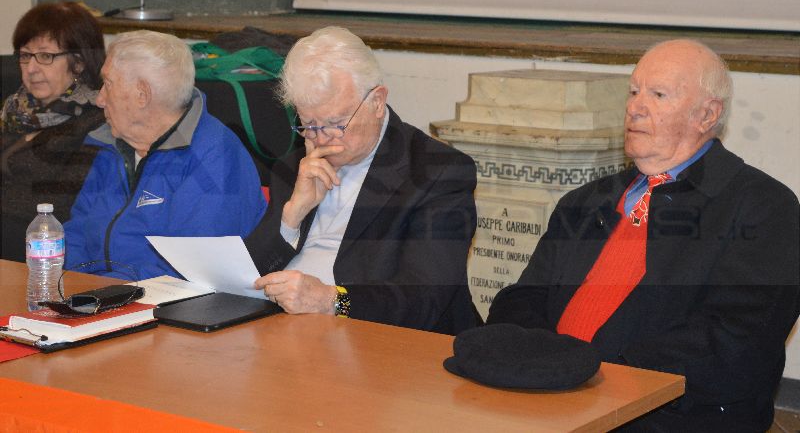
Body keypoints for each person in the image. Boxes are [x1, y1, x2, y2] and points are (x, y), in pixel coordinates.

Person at [487, 39, 799, 432]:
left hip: (665, 416)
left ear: (707, 114)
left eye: (658, 94)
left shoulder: (763, 207)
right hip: (550, 397)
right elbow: (523, 298)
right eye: (634, 91)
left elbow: (736, 341)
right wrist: (539, 366)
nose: (635, 107)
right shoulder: (584, 201)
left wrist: (599, 377)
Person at [245, 26, 477, 334]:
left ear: (377, 102)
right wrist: (291, 217)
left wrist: (332, 301)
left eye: (336, 123)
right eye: (308, 124)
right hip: (286, 333)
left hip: (382, 343)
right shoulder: (294, 167)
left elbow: (424, 299)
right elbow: (247, 277)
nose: (321, 138)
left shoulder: (438, 172)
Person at [65, 30, 266, 280]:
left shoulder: (215, 156)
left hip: (163, 299)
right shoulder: (113, 145)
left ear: (142, 94)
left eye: (108, 84)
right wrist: (70, 283)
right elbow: (77, 231)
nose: (99, 99)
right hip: (98, 293)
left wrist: (103, 291)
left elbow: (191, 272)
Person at [1, 1, 106, 262]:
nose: (31, 68)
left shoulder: (96, 123)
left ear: (78, 63)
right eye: (25, 55)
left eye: (46, 56)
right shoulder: (13, 111)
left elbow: (59, 206)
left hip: (37, 253)